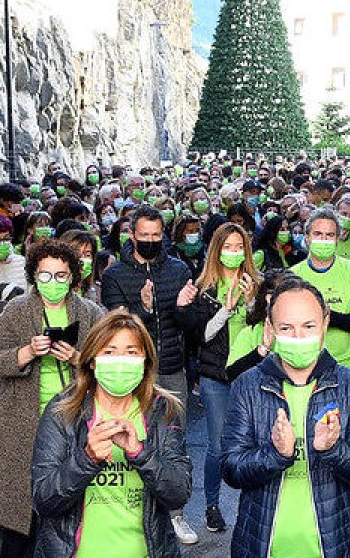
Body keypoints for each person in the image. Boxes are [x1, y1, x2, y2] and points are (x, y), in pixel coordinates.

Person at [221, 277, 350, 558]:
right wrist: (276, 454)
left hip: (331, 547)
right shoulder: (247, 385)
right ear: (270, 329)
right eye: (286, 328)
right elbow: (232, 469)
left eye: (308, 326)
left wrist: (333, 449)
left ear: (325, 324)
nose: (298, 337)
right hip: (261, 546)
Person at [31, 309, 192, 558]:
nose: (120, 361)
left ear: (145, 361)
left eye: (131, 352)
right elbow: (44, 500)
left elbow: (178, 493)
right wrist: (87, 459)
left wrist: (140, 453)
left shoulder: (163, 411)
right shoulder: (63, 411)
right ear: (92, 361)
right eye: (109, 352)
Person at [0, 240, 106, 557]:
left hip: (73, 422)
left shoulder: (91, 312)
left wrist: (78, 357)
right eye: (46, 275)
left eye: (61, 275)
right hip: (24, 425)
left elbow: (109, 364)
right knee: (21, 523)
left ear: (73, 277)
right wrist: (26, 352)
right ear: (34, 276)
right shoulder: (17, 310)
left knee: (72, 513)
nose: (53, 282)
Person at [98, 205, 199, 544]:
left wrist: (185, 307)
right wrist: (144, 308)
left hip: (170, 368)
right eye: (145, 236)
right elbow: (115, 326)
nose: (152, 241)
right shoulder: (114, 275)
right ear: (132, 236)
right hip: (131, 372)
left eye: (157, 236)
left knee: (172, 442)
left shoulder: (177, 268)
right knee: (130, 439)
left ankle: (176, 515)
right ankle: (130, 512)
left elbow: (188, 327)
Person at [173, 223, 260, 534]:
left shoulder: (256, 283)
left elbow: (262, 329)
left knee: (255, 444)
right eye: (228, 247)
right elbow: (203, 337)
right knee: (217, 446)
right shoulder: (204, 287)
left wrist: (250, 302)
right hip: (216, 376)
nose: (233, 253)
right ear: (216, 250)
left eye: (239, 247)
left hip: (250, 373)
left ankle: (255, 507)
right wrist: (226, 309)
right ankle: (212, 505)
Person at [290, 209, 350, 371]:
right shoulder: (293, 275)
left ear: (337, 240)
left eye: (329, 235)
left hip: (348, 364)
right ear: (307, 238)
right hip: (304, 365)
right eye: (318, 234)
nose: (323, 240)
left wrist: (318, 315)